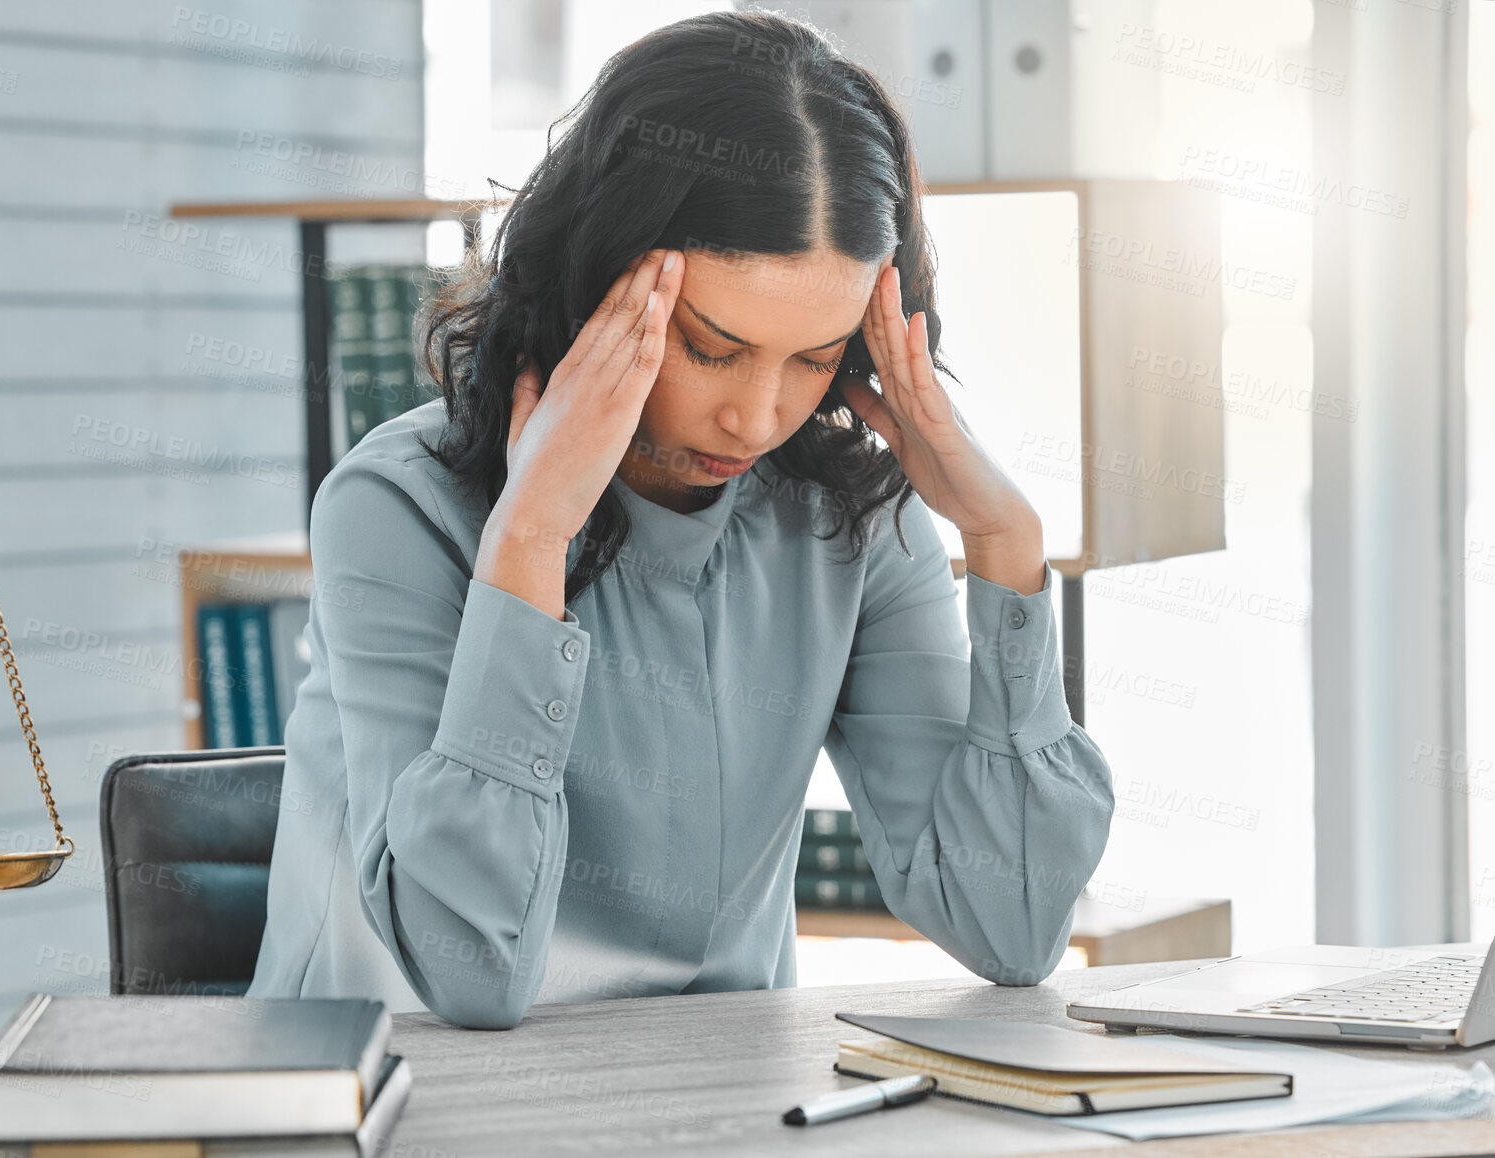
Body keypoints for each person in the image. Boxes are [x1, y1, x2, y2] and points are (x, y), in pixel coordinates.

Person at [246, 9, 1115, 1029]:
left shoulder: (846, 520)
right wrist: (528, 538)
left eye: (814, 358)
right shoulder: (395, 506)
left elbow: (1009, 926)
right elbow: (468, 973)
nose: (757, 416)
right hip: (399, 1096)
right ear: (594, 287)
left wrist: (1004, 548)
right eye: (711, 348)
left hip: (716, 1105)